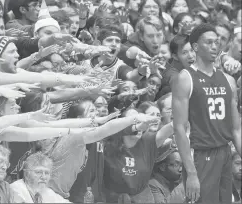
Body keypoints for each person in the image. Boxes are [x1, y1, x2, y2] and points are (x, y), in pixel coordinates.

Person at [172, 23, 241, 203]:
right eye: (209, 42)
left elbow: (236, 130)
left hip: (224, 152)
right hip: (201, 154)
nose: (214, 46)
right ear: (195, 47)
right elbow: (179, 129)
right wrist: (192, 172)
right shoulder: (186, 78)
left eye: (217, 42)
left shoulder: (229, 81)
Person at [103, 108, 174, 203]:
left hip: (143, 198)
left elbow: (173, 126)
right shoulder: (107, 144)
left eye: (141, 121)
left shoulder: (149, 141)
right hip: (112, 199)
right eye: (135, 121)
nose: (140, 125)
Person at [149, 139, 185, 203]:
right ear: (162, 167)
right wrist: (185, 184)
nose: (180, 169)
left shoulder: (175, 180)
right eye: (176, 165)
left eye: (181, 165)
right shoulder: (152, 185)